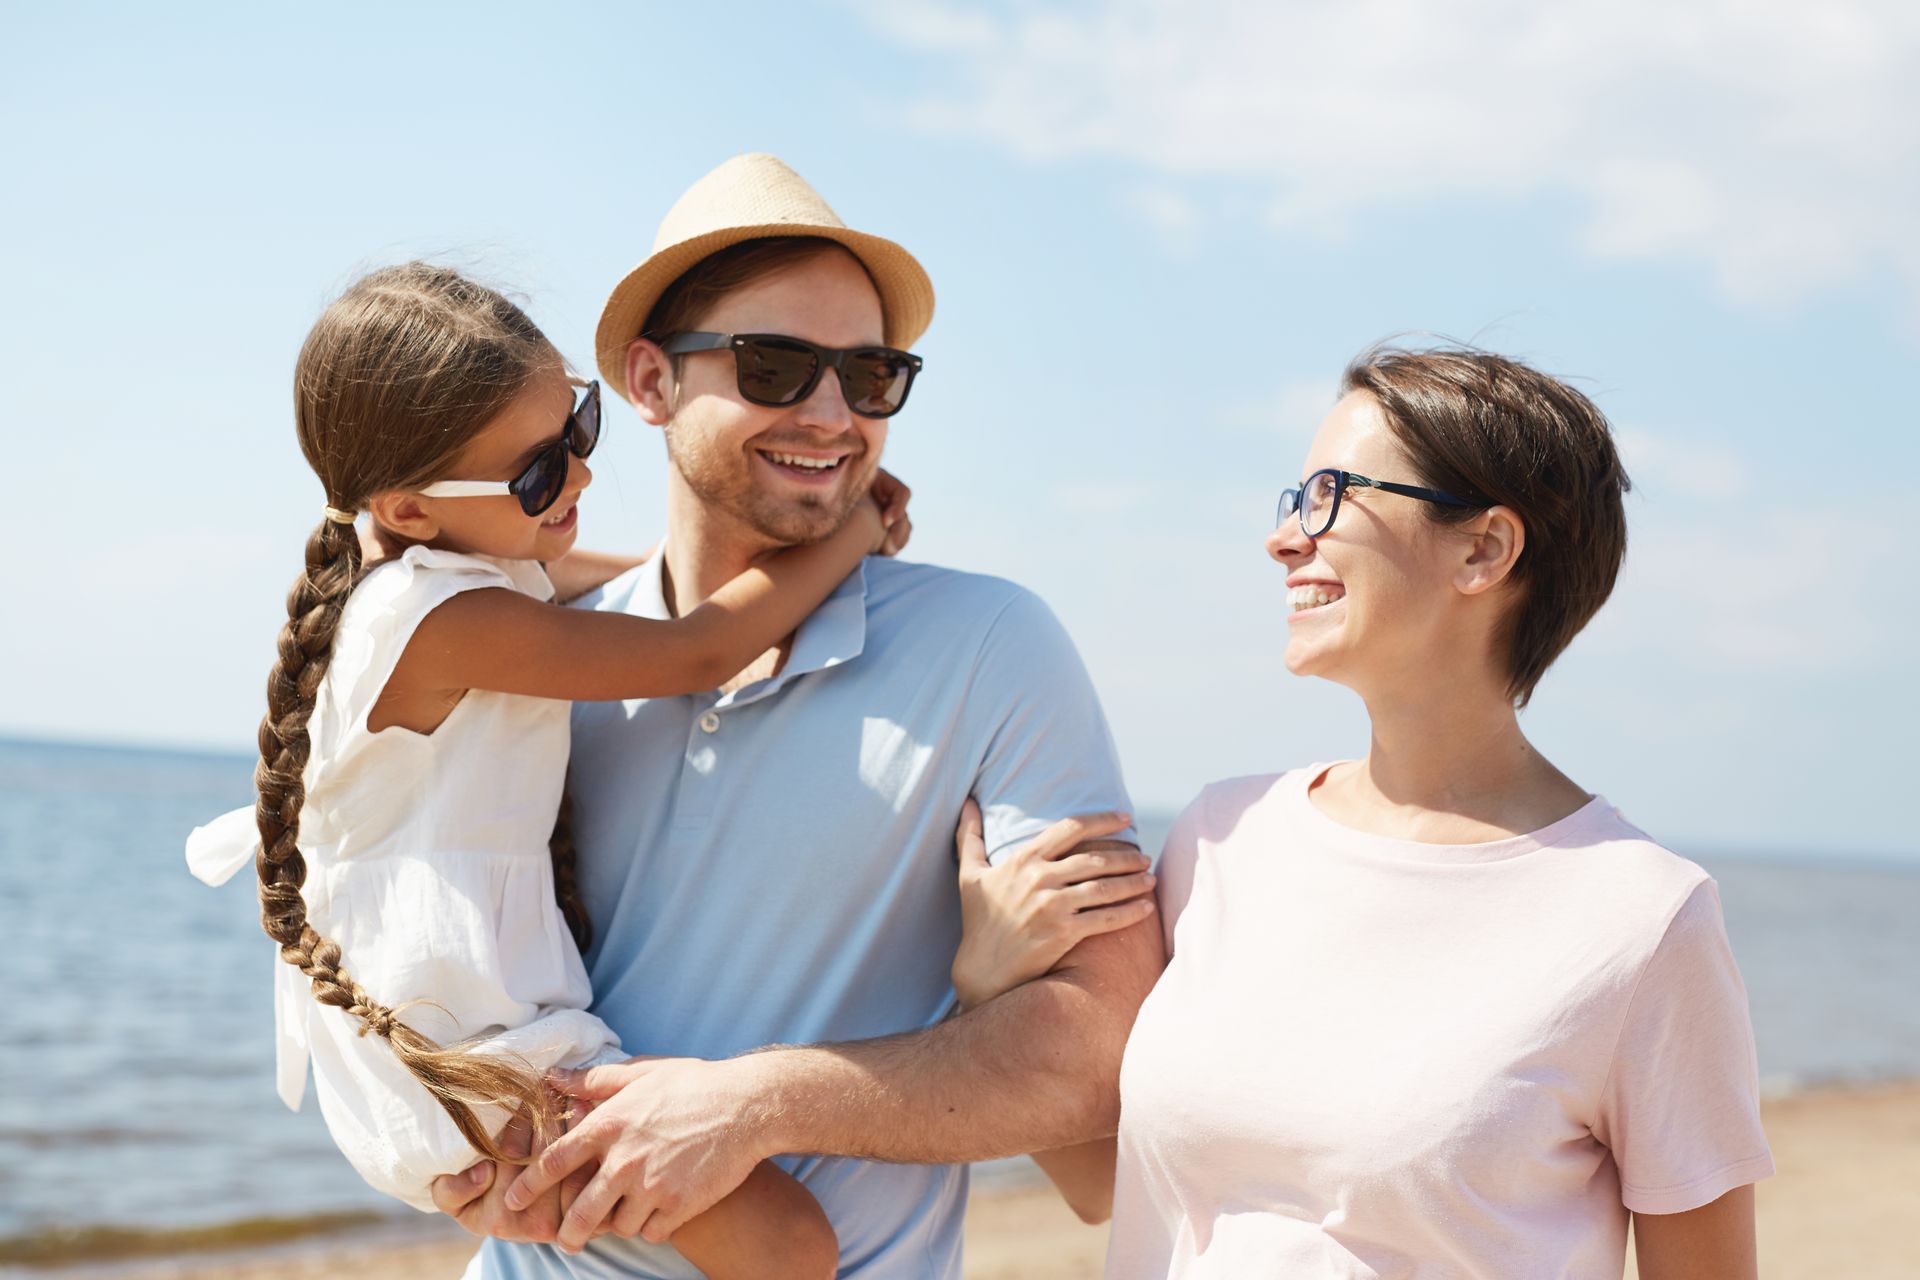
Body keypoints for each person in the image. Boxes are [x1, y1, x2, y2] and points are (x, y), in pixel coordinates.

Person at [427, 153, 1165, 1279]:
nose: (833, 415)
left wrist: (757, 1102)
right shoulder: (550, 652)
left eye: (871, 377)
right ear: (649, 381)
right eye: (776, 365)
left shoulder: (994, 646)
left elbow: (1092, 1058)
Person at [183, 261, 922, 1278]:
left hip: (473, 1014)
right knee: (786, 1243)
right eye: (537, 473)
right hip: (459, 1035)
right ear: (408, 506)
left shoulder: (464, 567)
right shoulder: (445, 620)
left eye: (577, 431)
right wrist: (852, 533)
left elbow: (626, 580)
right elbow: (696, 649)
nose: (575, 478)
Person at [1065, 347, 1771, 1278]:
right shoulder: (1222, 839)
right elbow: (1103, 1182)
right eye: (1293, 498)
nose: (1285, 538)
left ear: (1483, 549)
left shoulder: (1642, 923)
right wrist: (980, 971)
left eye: (1331, 495)